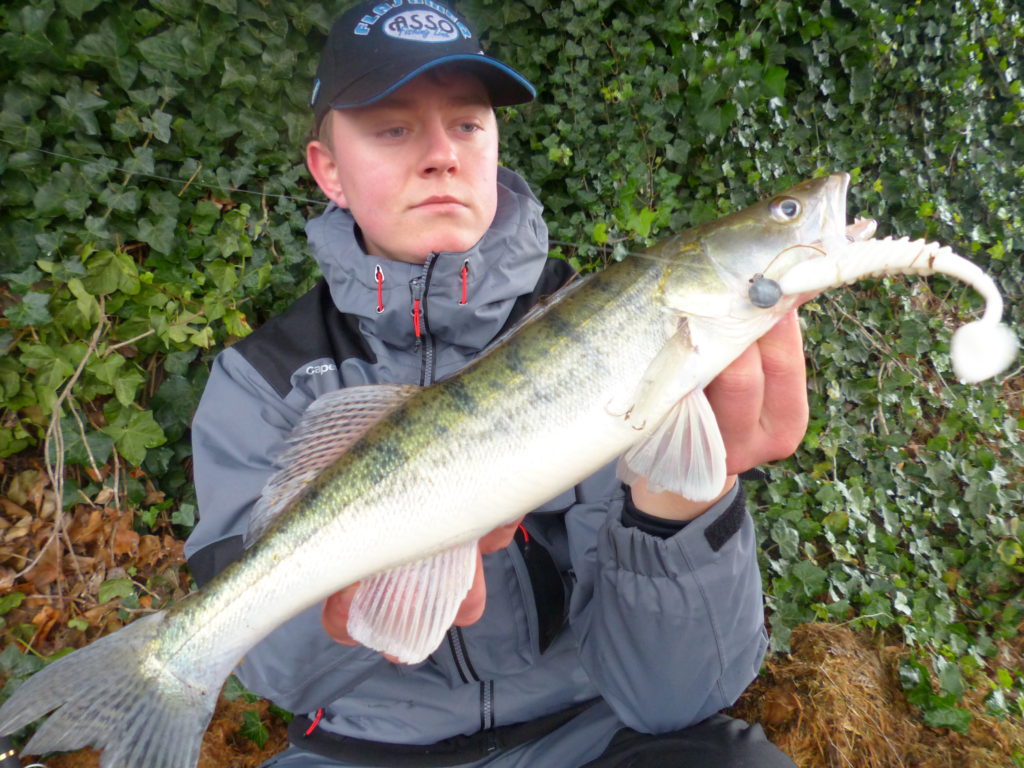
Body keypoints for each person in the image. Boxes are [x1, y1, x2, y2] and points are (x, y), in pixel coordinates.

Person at [185, 2, 808, 766]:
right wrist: (357, 605)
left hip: (592, 734)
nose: (442, 154)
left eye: (469, 124)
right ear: (328, 170)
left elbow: (677, 699)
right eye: (393, 126)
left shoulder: (612, 336)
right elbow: (275, 670)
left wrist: (680, 511)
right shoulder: (262, 381)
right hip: (364, 750)